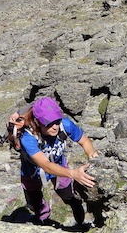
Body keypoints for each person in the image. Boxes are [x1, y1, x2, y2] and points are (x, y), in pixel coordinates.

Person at [11, 96, 97, 226]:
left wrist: (92, 155)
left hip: (58, 164)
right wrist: (73, 173)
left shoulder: (65, 124)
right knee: (35, 203)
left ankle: (74, 204)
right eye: (49, 123)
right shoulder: (28, 138)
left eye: (56, 121)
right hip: (32, 171)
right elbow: (45, 165)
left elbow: (84, 140)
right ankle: (44, 222)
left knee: (67, 194)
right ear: (37, 121)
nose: (55, 127)